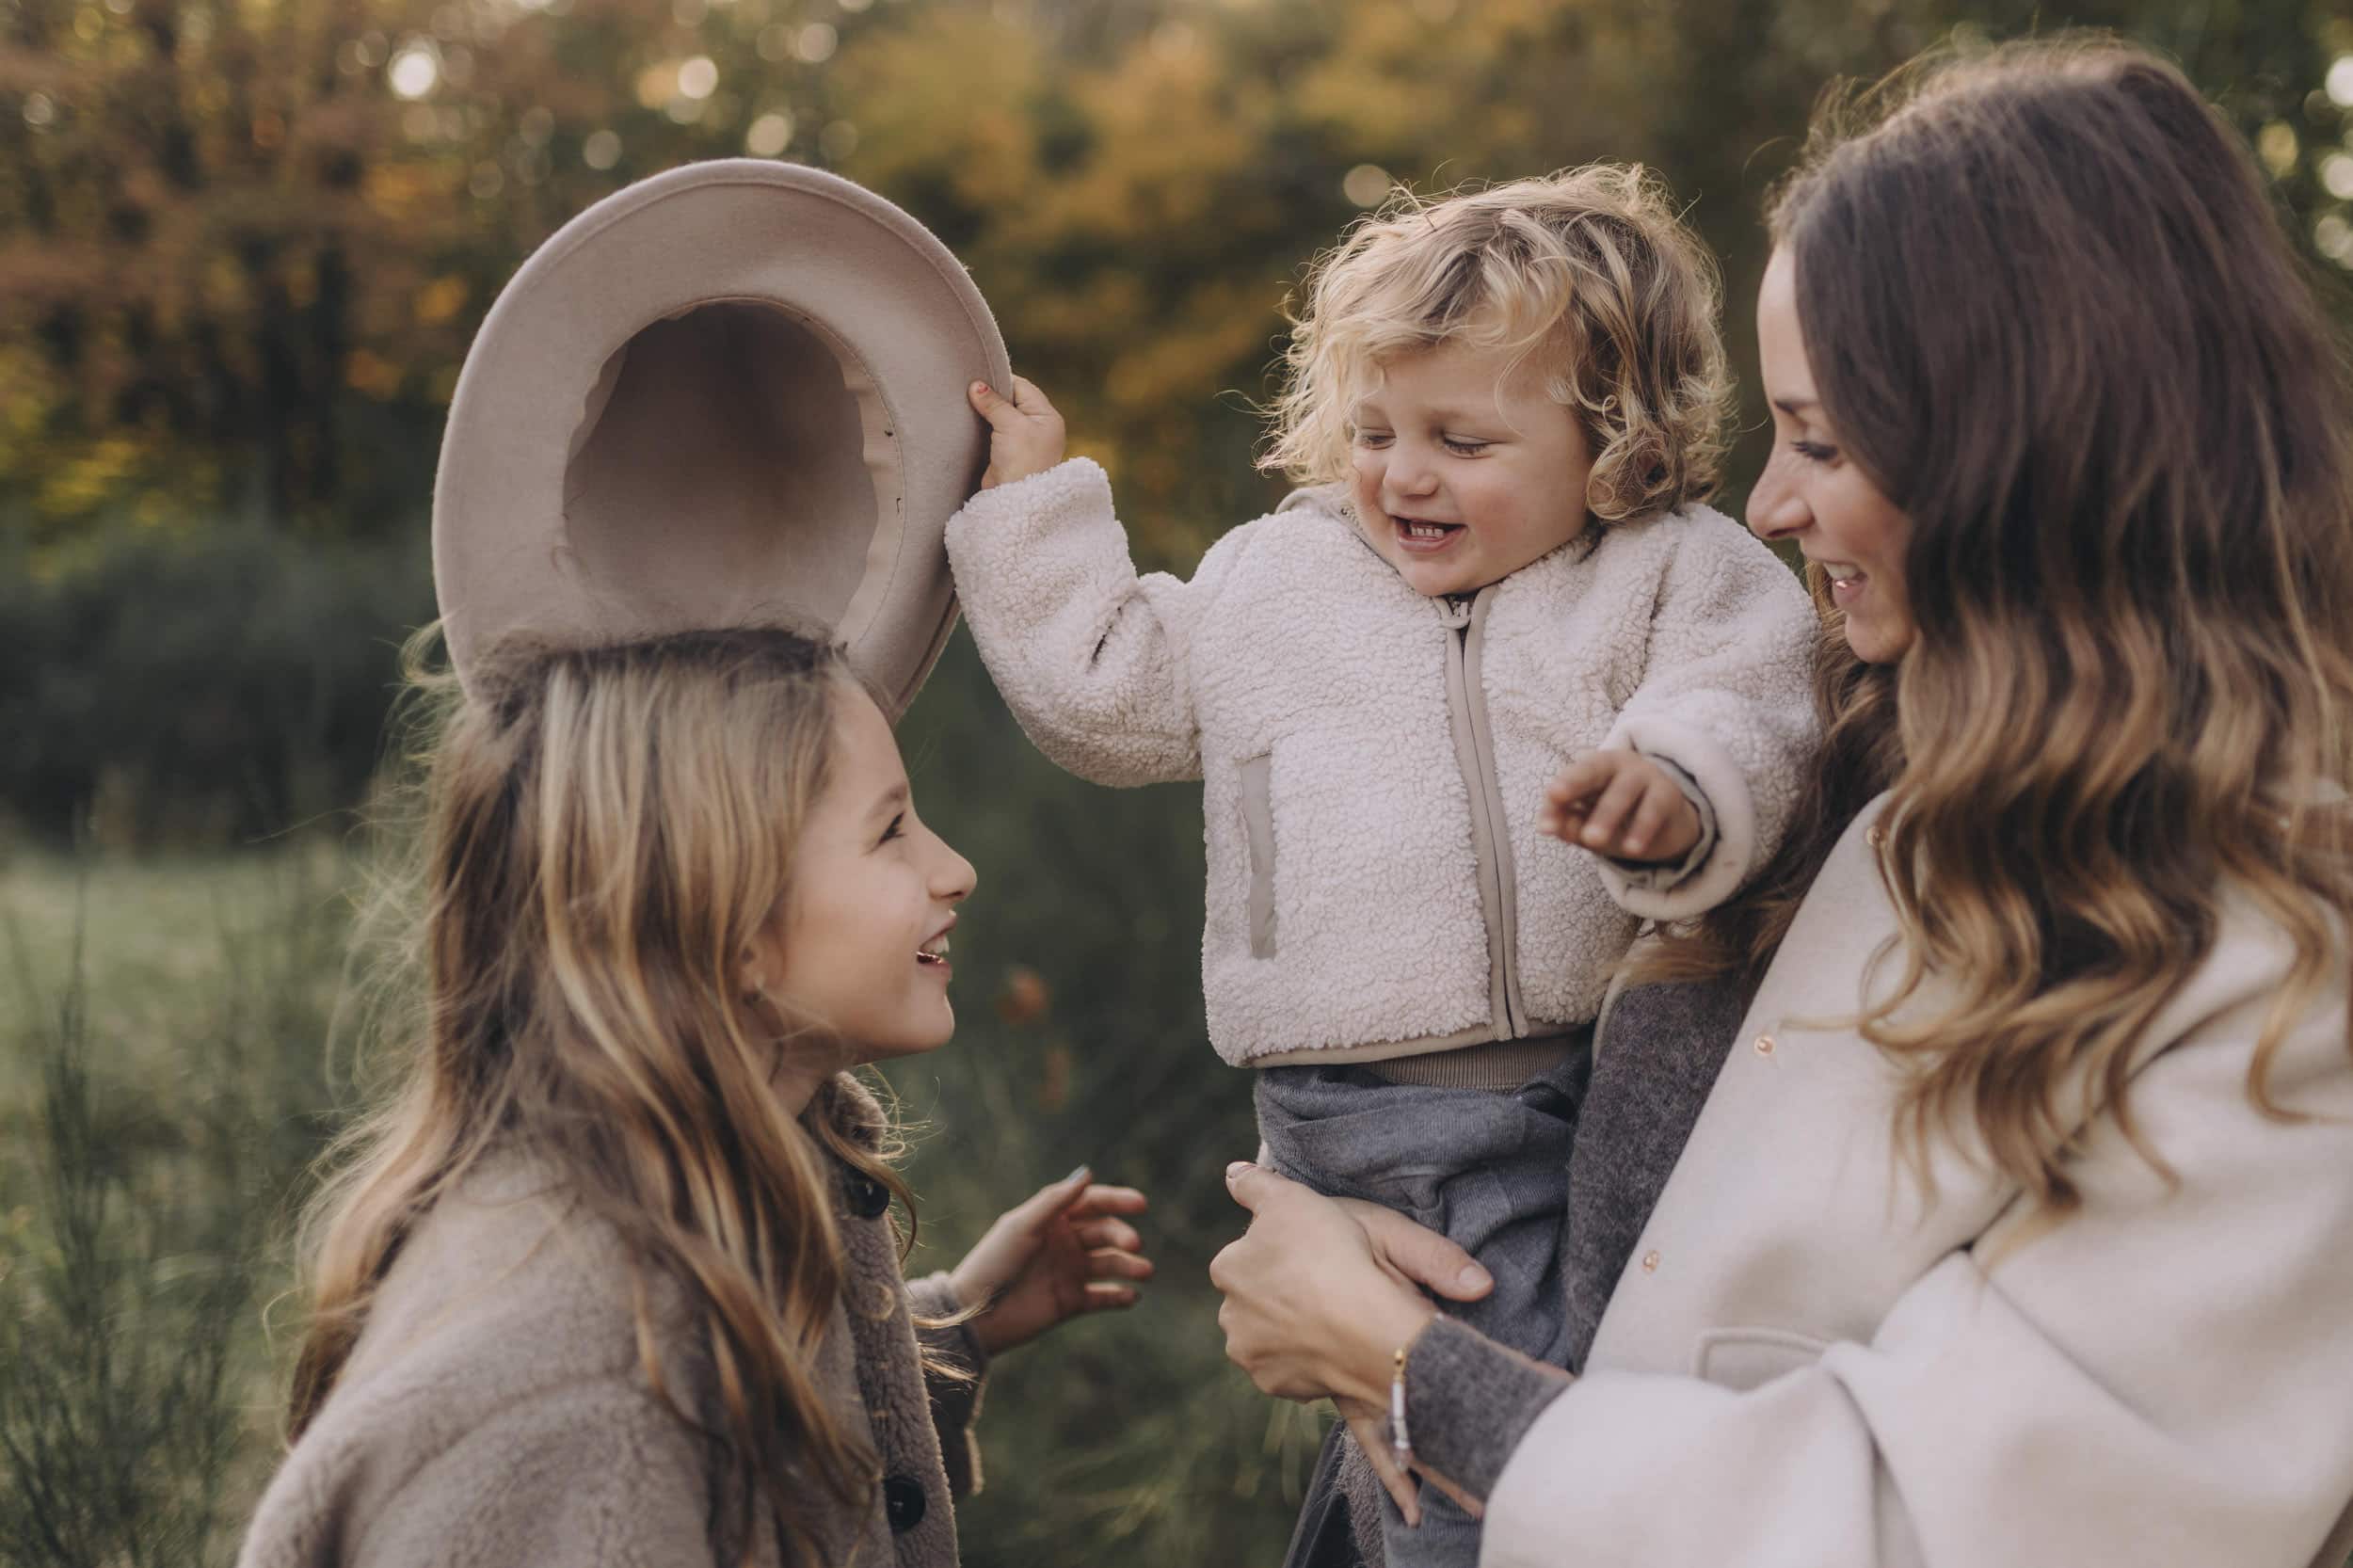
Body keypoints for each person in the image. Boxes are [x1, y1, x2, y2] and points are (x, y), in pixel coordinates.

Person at [1209, 36, 2353, 1568]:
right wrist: (1384, 1205)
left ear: (2022, 452)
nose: (1767, 502)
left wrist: (1410, 1376)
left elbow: (1958, 1526)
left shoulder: (2282, 962)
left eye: (1820, 438)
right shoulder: (1859, 755)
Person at [945, 167, 1817, 1566]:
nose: (1403, 474)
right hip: (1364, 1118)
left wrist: (1679, 787)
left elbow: (1750, 697)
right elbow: (1105, 690)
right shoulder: (1277, 583)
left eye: (1462, 438)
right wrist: (1034, 505)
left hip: (1603, 1085)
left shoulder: (1665, 573)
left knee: (1540, 1412)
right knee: (1452, 1468)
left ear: (1614, 446)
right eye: (1372, 428)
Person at [236, 628, 1156, 1568]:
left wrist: (947, 1330)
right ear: (726, 918)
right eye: (889, 829)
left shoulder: (684, 1193)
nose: (952, 867)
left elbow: (731, 1454)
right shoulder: (569, 1405)